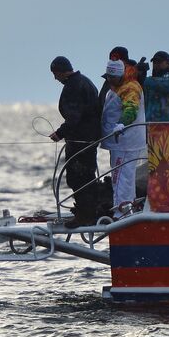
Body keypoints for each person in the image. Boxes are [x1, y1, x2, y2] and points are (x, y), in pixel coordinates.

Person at [49, 56, 101, 228]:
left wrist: (59, 133)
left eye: (55, 75)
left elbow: (74, 117)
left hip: (81, 139)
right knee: (87, 175)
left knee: (78, 177)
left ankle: (85, 216)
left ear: (60, 72)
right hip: (90, 137)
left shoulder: (73, 86)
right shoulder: (84, 81)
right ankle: (89, 212)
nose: (55, 79)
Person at [100, 59, 146, 219]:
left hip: (126, 141)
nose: (108, 81)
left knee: (121, 176)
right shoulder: (117, 87)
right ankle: (127, 207)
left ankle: (122, 212)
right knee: (121, 176)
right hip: (117, 142)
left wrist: (122, 124)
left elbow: (131, 110)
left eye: (110, 77)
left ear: (119, 75)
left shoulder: (130, 88)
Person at [143, 51, 169, 122]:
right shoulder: (149, 82)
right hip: (149, 128)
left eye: (159, 62)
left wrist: (144, 79)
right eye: (154, 62)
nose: (156, 64)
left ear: (168, 63)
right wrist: (138, 73)